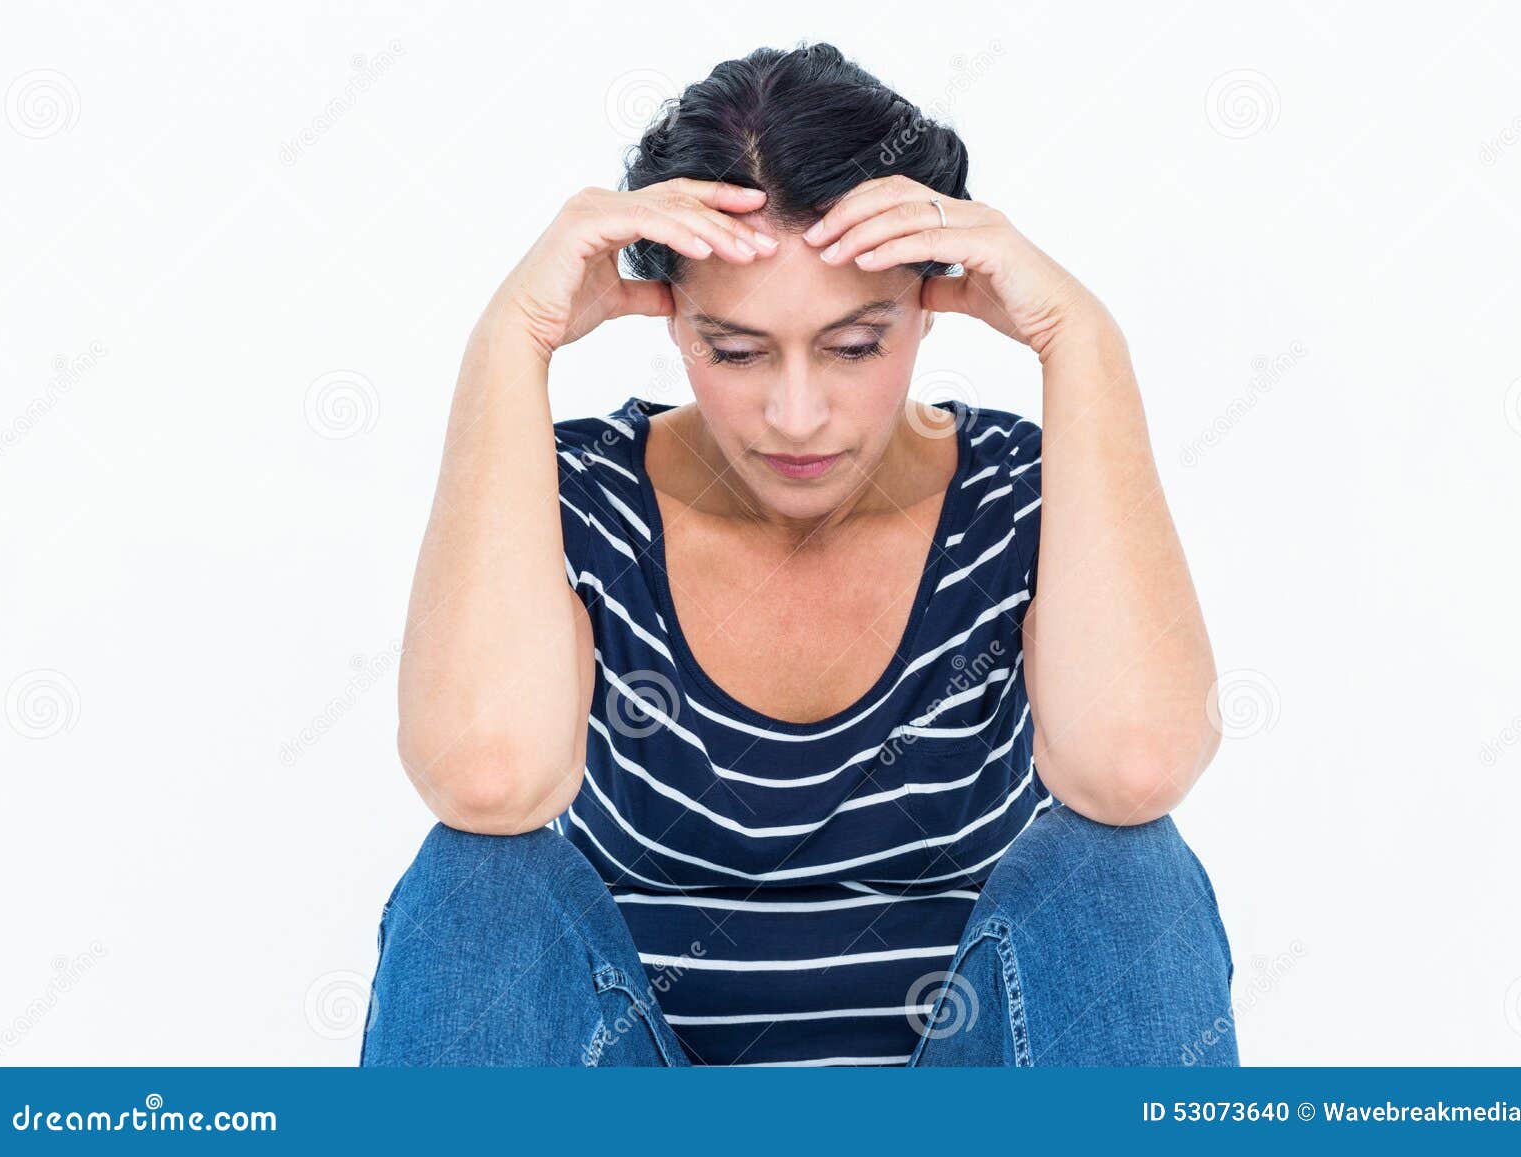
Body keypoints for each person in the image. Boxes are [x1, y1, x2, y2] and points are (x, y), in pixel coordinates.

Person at [361, 42, 1237, 1068]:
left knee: (1130, 875)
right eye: (734, 350)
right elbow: (483, 778)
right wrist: (509, 339)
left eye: (854, 345)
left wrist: (1081, 339)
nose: (796, 414)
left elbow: (1134, 768)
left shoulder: (1018, 491)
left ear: (930, 300)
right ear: (671, 316)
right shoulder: (581, 493)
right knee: (475, 884)